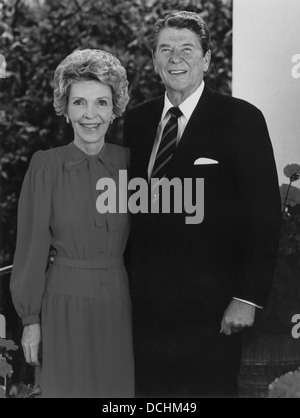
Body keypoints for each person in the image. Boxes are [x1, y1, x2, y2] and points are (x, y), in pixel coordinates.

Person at [124, 11, 281, 398]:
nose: (175, 57)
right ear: (155, 58)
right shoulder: (135, 121)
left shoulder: (242, 119)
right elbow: (129, 212)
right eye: (166, 48)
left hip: (212, 310)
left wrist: (246, 298)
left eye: (187, 49)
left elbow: (264, 217)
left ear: (207, 59)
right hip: (144, 309)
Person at [10, 49, 134, 398]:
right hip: (61, 305)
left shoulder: (131, 164)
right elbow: (31, 249)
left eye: (102, 103)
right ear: (65, 109)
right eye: (79, 102)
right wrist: (30, 321)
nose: (90, 114)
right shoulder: (46, 166)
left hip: (119, 305)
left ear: (115, 110)